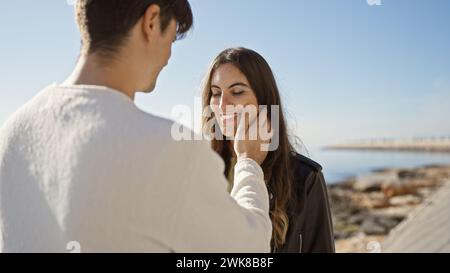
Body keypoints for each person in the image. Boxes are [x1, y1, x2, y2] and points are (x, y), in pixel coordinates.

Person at [0, 0, 272, 253]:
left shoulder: (13, 132)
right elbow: (250, 249)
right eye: (172, 37)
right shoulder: (169, 151)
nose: (168, 57)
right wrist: (248, 161)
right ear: (151, 21)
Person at [201, 47, 335, 252]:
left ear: (264, 102)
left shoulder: (304, 177)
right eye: (216, 93)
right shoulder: (199, 169)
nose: (222, 104)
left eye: (237, 92)